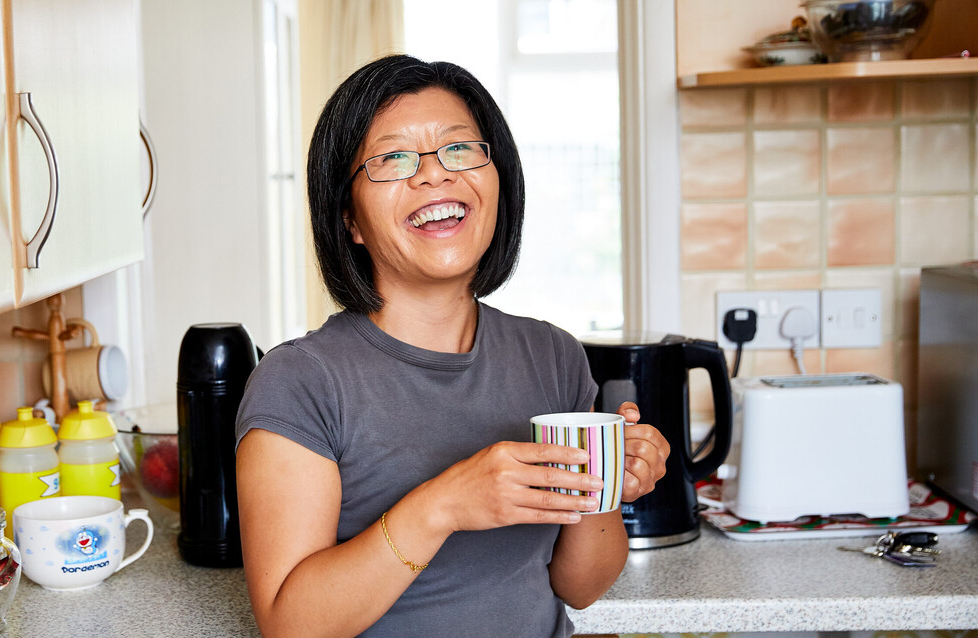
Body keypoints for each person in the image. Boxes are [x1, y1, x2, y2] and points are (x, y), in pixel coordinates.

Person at [235, 54, 670, 638]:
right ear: (349, 219)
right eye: (392, 158)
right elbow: (291, 626)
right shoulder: (300, 381)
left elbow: (581, 586)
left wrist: (608, 481)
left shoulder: (553, 355)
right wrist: (443, 506)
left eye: (459, 149)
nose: (434, 175)